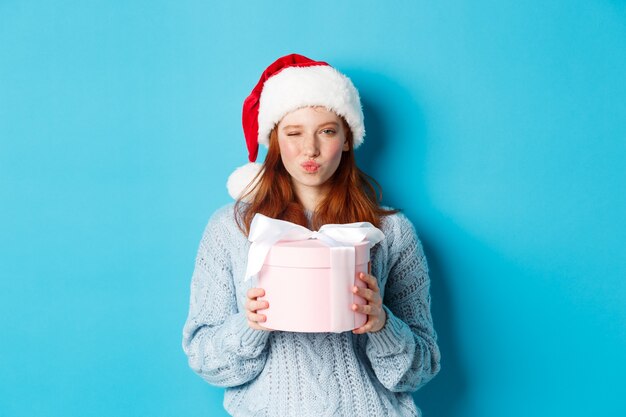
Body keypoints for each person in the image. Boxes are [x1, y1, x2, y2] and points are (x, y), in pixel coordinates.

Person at [182, 53, 441, 417]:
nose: (310, 149)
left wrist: (381, 324)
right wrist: (251, 323)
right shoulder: (231, 229)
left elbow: (421, 368)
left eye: (327, 131)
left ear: (347, 139)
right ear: (274, 140)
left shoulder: (390, 231)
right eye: (294, 132)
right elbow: (205, 360)